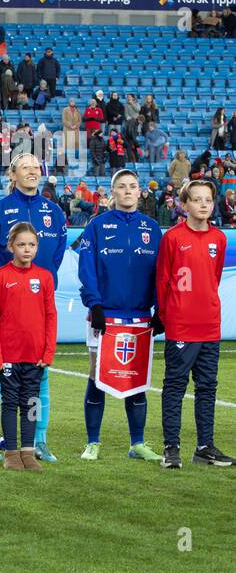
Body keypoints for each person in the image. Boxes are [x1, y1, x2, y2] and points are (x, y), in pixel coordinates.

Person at [0, 153, 67, 462]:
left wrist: (41, 284)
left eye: (36, 166)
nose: (32, 171)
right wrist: (3, 287)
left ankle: (37, 441)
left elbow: (56, 257)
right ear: (12, 174)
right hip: (8, 303)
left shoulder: (54, 211)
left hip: (40, 303)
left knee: (40, 375)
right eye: (25, 166)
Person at [76, 169, 162, 463]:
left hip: (139, 317)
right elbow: (86, 268)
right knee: (97, 376)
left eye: (133, 186)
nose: (127, 191)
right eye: (122, 187)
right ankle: (92, 443)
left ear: (140, 192)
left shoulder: (152, 228)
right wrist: (95, 305)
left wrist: (159, 308)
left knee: (136, 379)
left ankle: (137, 443)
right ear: (113, 193)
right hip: (104, 316)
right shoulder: (97, 226)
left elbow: (159, 275)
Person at [156, 180, 234, 469]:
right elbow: (163, 279)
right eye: (197, 199)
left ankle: (204, 447)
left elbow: (212, 279)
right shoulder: (173, 238)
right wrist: (164, 315)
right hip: (181, 325)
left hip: (210, 324)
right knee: (175, 386)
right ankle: (171, 448)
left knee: (207, 387)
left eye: (208, 200)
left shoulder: (219, 238)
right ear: (184, 204)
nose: (204, 205)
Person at [0, 222, 57, 471]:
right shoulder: (0, 276)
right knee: (10, 402)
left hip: (35, 355)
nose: (27, 249)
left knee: (31, 403)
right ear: (10, 247)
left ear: (37, 247)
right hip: (8, 356)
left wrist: (48, 353)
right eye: (21, 244)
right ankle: (12, 453)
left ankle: (28, 451)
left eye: (32, 244)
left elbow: (51, 316)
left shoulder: (45, 277)